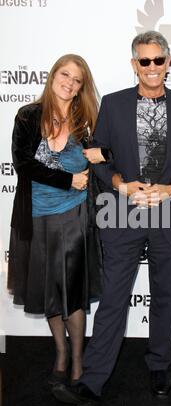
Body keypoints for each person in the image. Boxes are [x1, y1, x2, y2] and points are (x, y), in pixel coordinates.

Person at [52, 31, 171, 406]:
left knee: (165, 294)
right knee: (113, 298)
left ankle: (160, 365)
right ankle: (93, 380)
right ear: (134, 65)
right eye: (144, 61)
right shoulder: (112, 104)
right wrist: (119, 184)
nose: (152, 68)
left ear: (168, 62)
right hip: (122, 209)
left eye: (158, 60)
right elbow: (98, 159)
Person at [7, 54, 105, 386]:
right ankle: (60, 352)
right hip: (35, 216)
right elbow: (22, 164)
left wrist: (102, 157)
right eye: (65, 75)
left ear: (81, 88)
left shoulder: (87, 120)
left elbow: (108, 155)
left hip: (75, 215)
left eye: (77, 80)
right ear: (53, 77)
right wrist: (67, 179)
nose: (69, 83)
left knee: (73, 291)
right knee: (49, 289)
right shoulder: (28, 116)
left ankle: (78, 359)